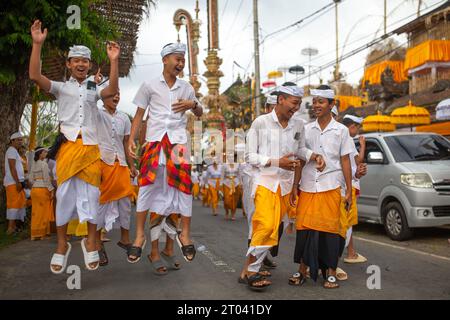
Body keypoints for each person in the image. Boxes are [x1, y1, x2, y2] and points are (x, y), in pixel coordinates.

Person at [29, 19, 120, 273]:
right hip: (68, 148)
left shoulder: (93, 89)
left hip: (91, 149)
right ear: (69, 64)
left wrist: (113, 61)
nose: (81, 64)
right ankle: (61, 245)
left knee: (92, 197)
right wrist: (37, 45)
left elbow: (112, 90)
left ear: (89, 65)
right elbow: (35, 75)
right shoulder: (60, 88)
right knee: (63, 196)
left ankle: (91, 242)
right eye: (76, 60)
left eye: (85, 61)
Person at [240, 85, 324, 291]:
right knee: (266, 225)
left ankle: (248, 270)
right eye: (294, 103)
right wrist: (276, 162)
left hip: (286, 186)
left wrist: (314, 156)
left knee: (270, 231)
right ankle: (252, 271)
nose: (296, 108)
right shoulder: (261, 122)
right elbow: (249, 156)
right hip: (265, 181)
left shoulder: (298, 125)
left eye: (298, 104)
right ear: (280, 100)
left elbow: (301, 149)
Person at [127, 42, 203, 268]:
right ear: (165, 60)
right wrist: (131, 139)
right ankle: (139, 236)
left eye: (182, 60)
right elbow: (139, 115)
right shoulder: (149, 85)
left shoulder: (186, 87)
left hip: (178, 144)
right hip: (154, 142)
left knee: (184, 188)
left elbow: (199, 113)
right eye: (177, 59)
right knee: (146, 187)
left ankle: (185, 235)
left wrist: (193, 103)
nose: (180, 64)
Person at [289, 85, 353, 289]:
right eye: (314, 101)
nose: (316, 105)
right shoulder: (305, 129)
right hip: (308, 186)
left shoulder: (341, 130)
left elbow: (345, 161)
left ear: (331, 104)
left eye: (321, 101)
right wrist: (294, 187)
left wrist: (349, 189)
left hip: (331, 186)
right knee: (305, 231)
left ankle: (331, 273)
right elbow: (299, 159)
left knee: (330, 232)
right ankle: (302, 270)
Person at [95, 91, 137, 266]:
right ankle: (97, 243)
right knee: (101, 204)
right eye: (113, 94)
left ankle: (125, 239)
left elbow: (127, 143)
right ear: (103, 96)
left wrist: (132, 165)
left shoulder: (124, 118)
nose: (117, 97)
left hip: (121, 164)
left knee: (126, 203)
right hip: (102, 163)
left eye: (119, 94)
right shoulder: (96, 113)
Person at [342, 115, 368, 264]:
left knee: (347, 222)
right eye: (357, 127)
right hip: (348, 185)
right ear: (352, 126)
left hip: (349, 182)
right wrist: (363, 145)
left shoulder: (345, 138)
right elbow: (358, 161)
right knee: (347, 222)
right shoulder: (348, 139)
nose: (358, 131)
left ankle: (351, 252)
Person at [4, 132, 27, 235]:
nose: (20, 141)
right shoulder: (11, 150)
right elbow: (12, 167)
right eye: (18, 140)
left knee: (18, 204)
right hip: (13, 182)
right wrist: (17, 182)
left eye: (21, 139)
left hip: (17, 182)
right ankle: (10, 228)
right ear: (12, 141)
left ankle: (14, 227)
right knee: (13, 205)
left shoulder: (15, 151)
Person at [30, 147, 55, 240]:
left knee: (35, 212)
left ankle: (34, 234)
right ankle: (42, 233)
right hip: (43, 189)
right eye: (44, 152)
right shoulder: (44, 164)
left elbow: (30, 179)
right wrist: (51, 189)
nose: (46, 153)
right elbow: (46, 179)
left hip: (34, 189)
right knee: (43, 211)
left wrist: (35, 184)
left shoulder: (34, 164)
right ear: (40, 154)